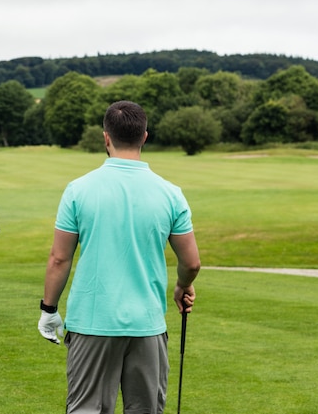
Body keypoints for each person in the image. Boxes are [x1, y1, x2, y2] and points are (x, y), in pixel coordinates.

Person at [37, 100, 201, 414]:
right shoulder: (170, 193)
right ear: (144, 137)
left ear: (106, 138)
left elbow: (60, 258)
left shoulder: (78, 189)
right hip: (147, 323)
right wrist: (183, 286)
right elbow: (191, 262)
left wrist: (49, 309)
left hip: (92, 322)